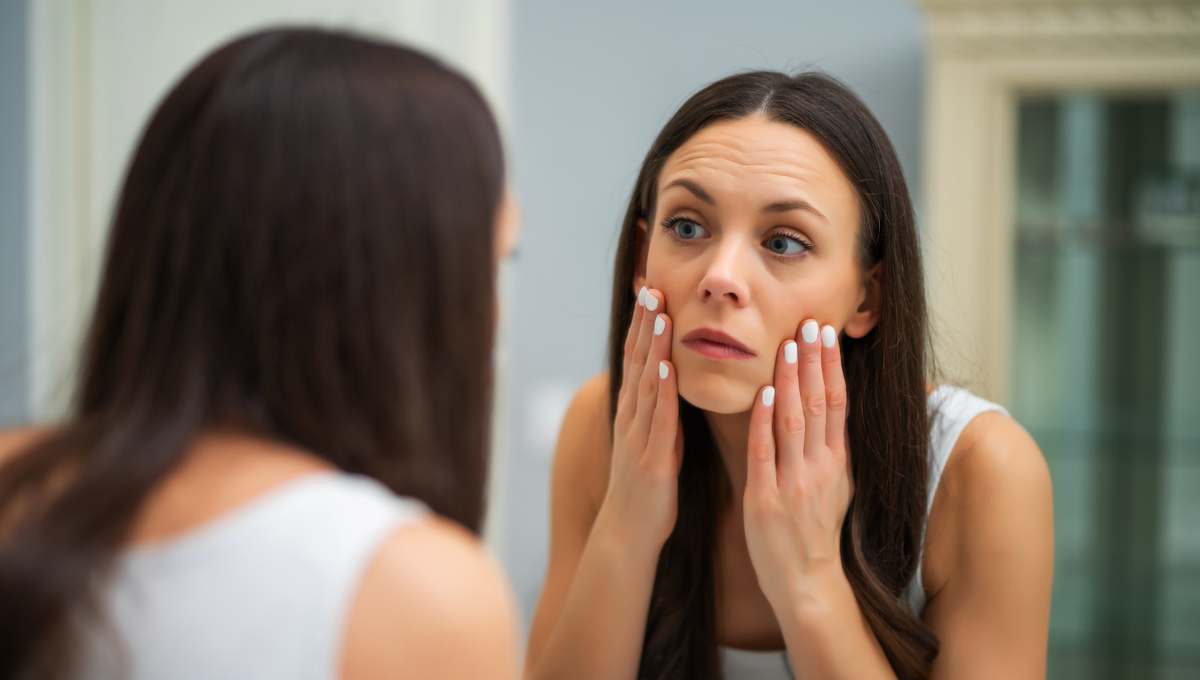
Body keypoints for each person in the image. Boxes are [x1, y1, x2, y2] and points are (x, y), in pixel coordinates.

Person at [0, 28, 520, 680]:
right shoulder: (417, 591)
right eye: (492, 267)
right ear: (398, 279)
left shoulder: (13, 480)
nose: (497, 312)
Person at [526, 72, 1054, 679]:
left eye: (783, 241)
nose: (720, 276)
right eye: (687, 227)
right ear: (643, 263)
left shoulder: (982, 470)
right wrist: (626, 525)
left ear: (867, 298)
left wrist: (808, 579)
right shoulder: (601, 425)